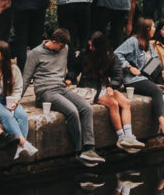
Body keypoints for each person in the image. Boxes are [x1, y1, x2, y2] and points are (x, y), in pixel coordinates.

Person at [23, 24, 106, 167]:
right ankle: (79, 151)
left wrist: (67, 79)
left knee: (86, 107)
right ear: (53, 41)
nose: (62, 49)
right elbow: (26, 77)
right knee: (72, 111)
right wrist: (16, 100)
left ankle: (89, 148)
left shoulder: (65, 49)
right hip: (45, 92)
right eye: (60, 46)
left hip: (61, 88)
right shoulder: (35, 53)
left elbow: (69, 67)